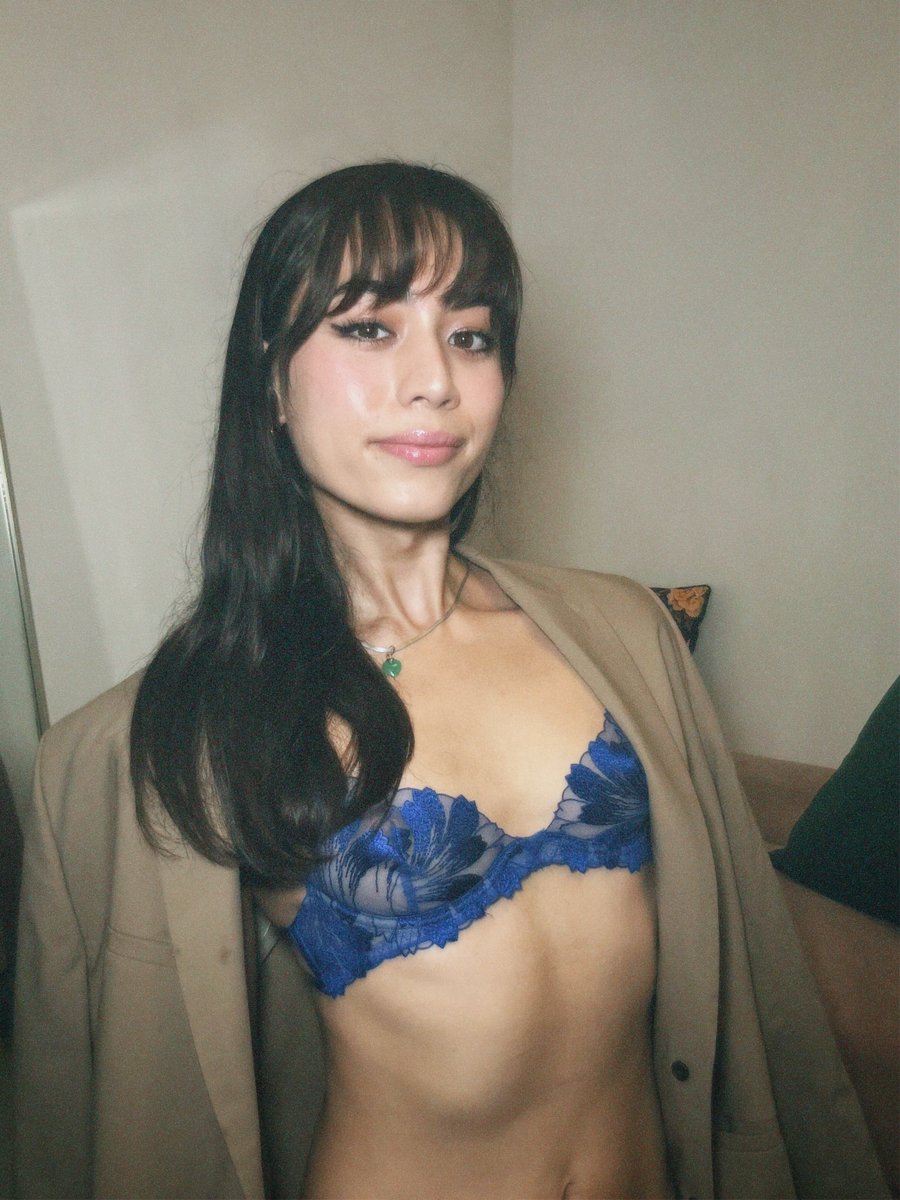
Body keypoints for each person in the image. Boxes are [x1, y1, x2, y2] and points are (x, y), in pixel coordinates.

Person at [14, 162, 886, 1200]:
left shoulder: (625, 634)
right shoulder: (165, 739)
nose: (434, 379)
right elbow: (93, 1102)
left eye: (470, 336)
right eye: (368, 327)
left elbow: (752, 973)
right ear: (270, 382)